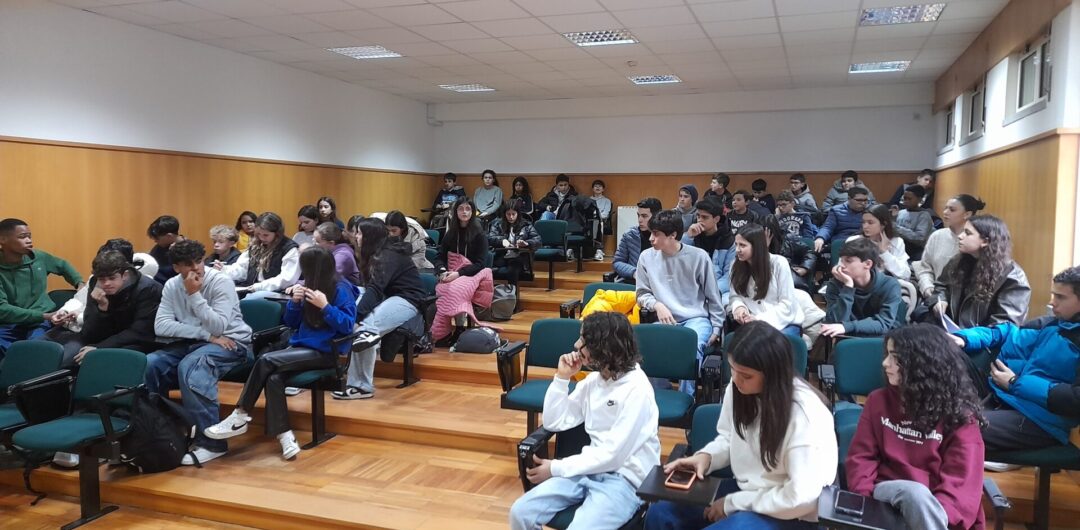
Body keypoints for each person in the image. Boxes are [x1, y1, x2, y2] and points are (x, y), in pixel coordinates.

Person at [644, 322, 836, 530]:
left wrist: (733, 504)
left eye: (746, 375)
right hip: (749, 490)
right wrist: (707, 457)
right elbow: (730, 437)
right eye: (732, 369)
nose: (735, 380)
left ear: (772, 373)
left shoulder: (806, 414)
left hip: (792, 510)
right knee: (661, 513)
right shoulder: (740, 389)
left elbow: (800, 496)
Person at [509, 312, 660, 530]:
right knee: (520, 512)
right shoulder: (594, 382)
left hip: (625, 480)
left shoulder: (637, 390)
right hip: (587, 470)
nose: (576, 345)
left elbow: (612, 456)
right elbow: (554, 422)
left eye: (584, 341)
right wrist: (562, 378)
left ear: (603, 348)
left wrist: (556, 467)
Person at [205, 246, 357, 460]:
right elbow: (291, 323)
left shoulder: (341, 289)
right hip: (300, 349)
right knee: (274, 379)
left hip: (325, 353)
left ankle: (240, 414)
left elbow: (348, 326)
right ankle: (285, 436)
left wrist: (325, 307)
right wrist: (294, 303)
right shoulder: (308, 287)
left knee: (266, 360)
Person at [846, 325, 986, 530]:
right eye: (887, 355)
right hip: (885, 501)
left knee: (918, 497)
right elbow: (861, 458)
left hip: (937, 512)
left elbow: (961, 485)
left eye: (895, 357)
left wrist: (926, 517)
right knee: (912, 493)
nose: (885, 363)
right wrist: (866, 507)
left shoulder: (960, 416)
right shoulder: (878, 401)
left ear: (921, 364)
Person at [950, 266, 1080, 456]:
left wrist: (1014, 383)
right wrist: (964, 338)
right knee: (943, 348)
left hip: (1039, 420)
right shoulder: (1052, 324)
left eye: (1060, 297)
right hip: (1005, 396)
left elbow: (1075, 398)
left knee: (956, 428)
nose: (1052, 302)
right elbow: (1008, 332)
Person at [145, 239, 252, 465]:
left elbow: (219, 327)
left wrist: (194, 295)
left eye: (199, 261)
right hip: (195, 342)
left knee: (192, 367)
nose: (196, 268)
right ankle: (161, 434)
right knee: (150, 364)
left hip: (232, 344)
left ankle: (211, 444)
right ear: (176, 267)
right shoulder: (172, 285)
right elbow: (161, 326)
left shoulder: (220, 281)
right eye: (188, 264)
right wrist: (205, 336)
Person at [333, 218, 426, 400]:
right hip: (389, 297)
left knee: (365, 328)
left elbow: (375, 289)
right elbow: (371, 288)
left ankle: (362, 387)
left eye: (360, 233)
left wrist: (357, 317)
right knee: (360, 325)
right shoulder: (375, 253)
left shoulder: (387, 255)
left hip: (409, 299)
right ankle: (357, 383)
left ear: (370, 236)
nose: (356, 236)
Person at [636, 210, 725, 394]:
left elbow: (713, 296)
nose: (651, 238)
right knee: (648, 346)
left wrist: (717, 327)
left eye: (656, 234)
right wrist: (657, 305)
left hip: (696, 318)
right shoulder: (646, 257)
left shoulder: (699, 256)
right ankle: (661, 395)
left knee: (690, 347)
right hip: (665, 320)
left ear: (673, 235)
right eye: (651, 233)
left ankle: (687, 398)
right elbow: (642, 293)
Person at [48, 250, 163, 368]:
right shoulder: (96, 285)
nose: (106, 283)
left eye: (112, 278)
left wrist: (100, 348)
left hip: (136, 342)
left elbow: (140, 332)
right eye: (102, 279)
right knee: (56, 359)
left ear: (125, 275)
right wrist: (102, 309)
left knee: (92, 360)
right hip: (103, 339)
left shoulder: (148, 289)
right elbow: (89, 333)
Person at [0, 218, 83, 358]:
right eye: (22, 237)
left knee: (35, 347)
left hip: (40, 321)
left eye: (29, 236)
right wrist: (45, 316)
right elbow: (2, 309)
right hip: (10, 323)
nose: (28, 240)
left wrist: (79, 282)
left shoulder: (38, 257)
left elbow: (62, 265)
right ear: (3, 239)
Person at [929, 215, 1030, 328]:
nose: (960, 236)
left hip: (981, 338)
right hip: (950, 330)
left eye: (967, 233)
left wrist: (967, 336)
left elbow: (1005, 324)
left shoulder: (1013, 276)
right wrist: (941, 300)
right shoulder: (957, 261)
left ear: (985, 241)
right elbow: (941, 285)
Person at [431, 197, 493, 343]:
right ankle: (443, 331)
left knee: (456, 289)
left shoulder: (479, 234)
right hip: (453, 272)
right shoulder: (450, 233)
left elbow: (480, 264)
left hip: (474, 273)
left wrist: (459, 274)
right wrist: (442, 270)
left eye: (468, 209)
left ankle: (459, 328)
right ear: (456, 212)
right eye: (461, 209)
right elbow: (440, 256)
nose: (464, 212)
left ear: (472, 212)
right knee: (441, 289)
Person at [730, 224, 803, 338]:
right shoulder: (735, 266)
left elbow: (787, 304)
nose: (737, 250)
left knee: (771, 343)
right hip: (752, 324)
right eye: (736, 244)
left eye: (742, 245)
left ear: (757, 246)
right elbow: (735, 296)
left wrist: (759, 319)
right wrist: (739, 307)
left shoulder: (779, 263)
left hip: (784, 323)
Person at [821, 238, 903, 338]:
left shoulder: (889, 285)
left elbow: (884, 323)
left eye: (848, 261)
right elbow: (834, 322)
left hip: (881, 340)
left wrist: (848, 327)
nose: (841, 266)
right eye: (841, 260)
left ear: (868, 264)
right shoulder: (835, 285)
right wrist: (848, 288)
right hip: (848, 339)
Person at [913, 195, 985, 302]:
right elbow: (925, 268)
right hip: (936, 297)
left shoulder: (975, 241)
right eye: (945, 208)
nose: (945, 212)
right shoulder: (937, 236)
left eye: (952, 210)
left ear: (967, 214)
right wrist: (928, 287)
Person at [220, 212, 301, 300]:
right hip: (252, 289)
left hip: (275, 293)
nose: (261, 238)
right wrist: (223, 270)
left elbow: (286, 279)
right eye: (258, 234)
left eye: (266, 235)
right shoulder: (256, 245)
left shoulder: (289, 249)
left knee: (249, 300)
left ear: (277, 233)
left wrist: (259, 286)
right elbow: (242, 269)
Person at [682, 198, 735, 306]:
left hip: (718, 287)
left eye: (704, 217)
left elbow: (728, 276)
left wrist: (710, 291)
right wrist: (688, 237)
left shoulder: (729, 241)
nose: (699, 220)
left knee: (726, 302)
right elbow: (678, 259)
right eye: (698, 216)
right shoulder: (692, 236)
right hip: (692, 286)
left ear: (716, 219)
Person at [487, 199, 541, 290]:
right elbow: (490, 238)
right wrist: (502, 241)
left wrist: (527, 243)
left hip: (520, 257)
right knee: (486, 268)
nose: (511, 217)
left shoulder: (526, 225)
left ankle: (512, 294)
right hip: (501, 256)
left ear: (518, 214)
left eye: (513, 214)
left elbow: (538, 240)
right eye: (508, 214)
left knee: (513, 269)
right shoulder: (497, 224)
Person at [846, 204, 909, 280]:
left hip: (887, 283)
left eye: (870, 222)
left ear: (883, 224)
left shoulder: (896, 242)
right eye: (863, 222)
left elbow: (905, 275)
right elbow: (844, 268)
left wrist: (885, 253)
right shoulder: (853, 241)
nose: (865, 226)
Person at [612, 198, 661, 285]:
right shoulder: (629, 235)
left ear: (656, 216)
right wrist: (634, 272)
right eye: (638, 215)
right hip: (633, 283)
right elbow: (617, 262)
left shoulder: (665, 236)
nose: (639, 220)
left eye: (644, 216)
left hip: (657, 284)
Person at [762, 215, 816, 293]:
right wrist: (765, 248)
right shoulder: (754, 243)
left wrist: (805, 267)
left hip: (786, 275)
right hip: (765, 277)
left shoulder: (788, 238)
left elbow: (810, 252)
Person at [814, 186, 871, 253]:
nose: (863, 203)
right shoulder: (836, 210)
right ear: (849, 199)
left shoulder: (870, 211)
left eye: (865, 200)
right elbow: (828, 227)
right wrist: (820, 238)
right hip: (841, 242)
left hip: (863, 241)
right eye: (859, 200)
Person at [894, 185, 934, 260]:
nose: (906, 201)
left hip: (916, 252)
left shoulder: (923, 216)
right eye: (905, 198)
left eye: (909, 199)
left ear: (919, 199)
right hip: (901, 249)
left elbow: (920, 237)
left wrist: (896, 228)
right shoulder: (901, 213)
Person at [147, 215, 182, 284]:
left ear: (169, 236)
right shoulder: (158, 248)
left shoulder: (186, 250)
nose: (155, 241)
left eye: (157, 238)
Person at [590, 180, 612, 261]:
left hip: (601, 221)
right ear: (592, 189)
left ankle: (599, 250)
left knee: (597, 223)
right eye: (596, 186)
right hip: (589, 220)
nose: (598, 188)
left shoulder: (607, 201)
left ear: (603, 189)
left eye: (600, 186)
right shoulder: (588, 200)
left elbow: (605, 214)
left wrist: (596, 215)